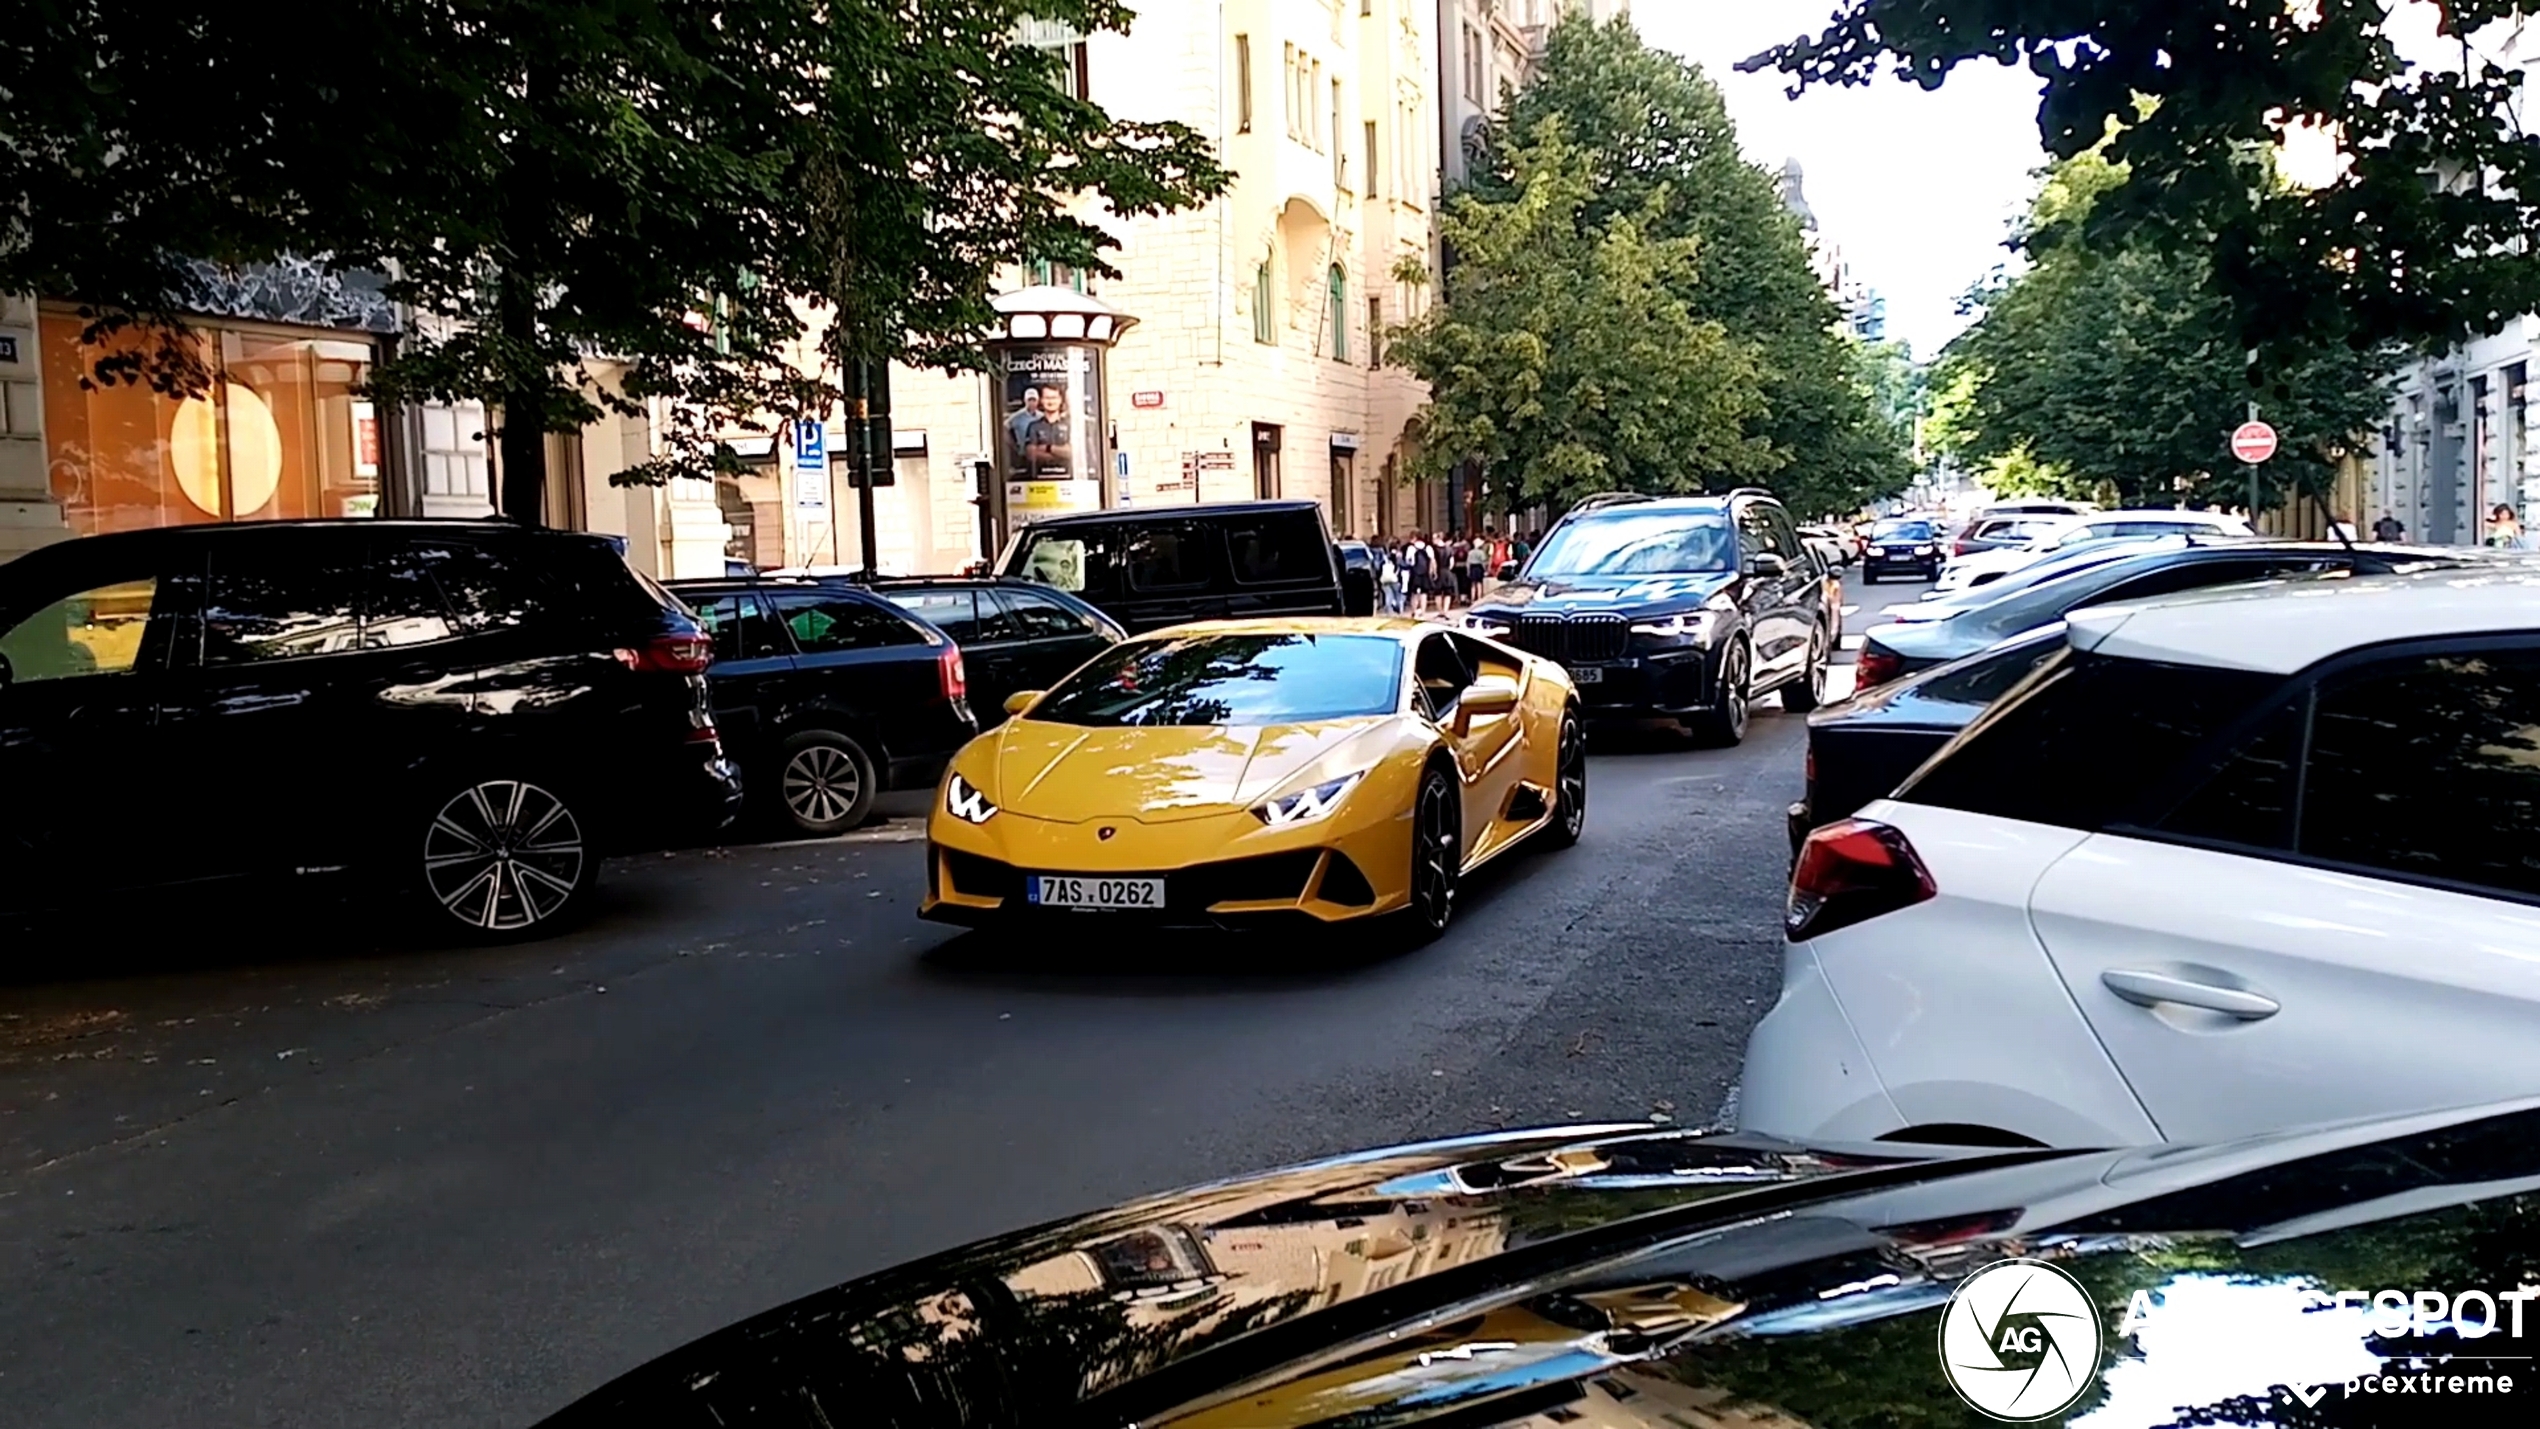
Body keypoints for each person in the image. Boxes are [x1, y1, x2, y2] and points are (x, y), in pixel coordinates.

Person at [1003, 387, 1043, 476]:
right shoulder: (1017, 417)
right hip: (1022, 456)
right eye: (1029, 400)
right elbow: (1004, 428)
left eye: (1034, 400)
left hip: (1039, 456)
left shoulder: (1041, 416)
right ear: (1025, 401)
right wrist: (1013, 445)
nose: (1032, 403)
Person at [1378, 542, 1405, 613]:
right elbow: (1403, 565)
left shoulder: (1385, 557)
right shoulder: (1398, 556)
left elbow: (1379, 567)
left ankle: (1389, 609)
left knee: (1388, 594)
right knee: (1397, 594)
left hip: (1385, 578)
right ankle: (1399, 608)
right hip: (1395, 578)